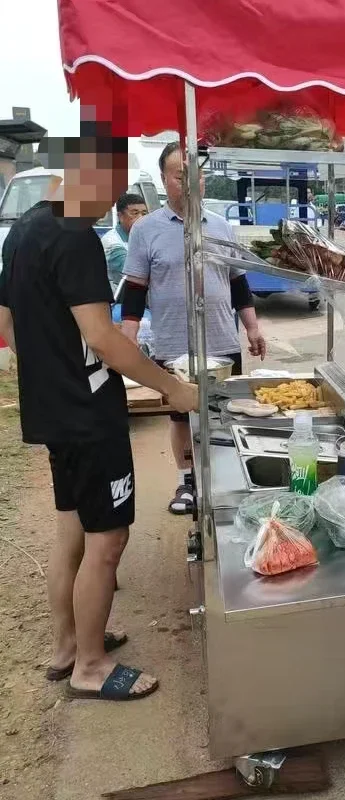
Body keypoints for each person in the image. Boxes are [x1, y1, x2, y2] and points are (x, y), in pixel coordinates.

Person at [0, 130, 198, 703]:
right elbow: (104, 339)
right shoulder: (76, 237)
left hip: (52, 411)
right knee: (108, 538)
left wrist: (47, 367)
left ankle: (68, 646)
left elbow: (6, 326)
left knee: (72, 533)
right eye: (112, 186)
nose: (114, 199)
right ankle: (90, 664)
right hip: (89, 415)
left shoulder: (25, 230)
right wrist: (172, 389)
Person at [121, 141, 267, 515]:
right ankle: (187, 479)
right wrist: (128, 336)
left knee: (222, 410)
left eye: (195, 175)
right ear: (163, 179)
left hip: (221, 336)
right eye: (179, 176)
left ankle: (219, 475)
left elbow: (237, 281)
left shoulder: (220, 226)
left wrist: (251, 327)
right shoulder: (145, 230)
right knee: (181, 414)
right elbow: (135, 290)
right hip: (173, 342)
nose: (189, 183)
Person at [101, 192, 148, 293]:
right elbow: (134, 271)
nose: (141, 218)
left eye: (144, 214)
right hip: (119, 303)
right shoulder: (112, 242)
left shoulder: (145, 237)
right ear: (120, 216)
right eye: (135, 213)